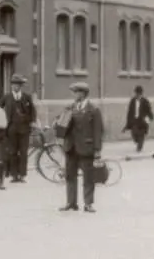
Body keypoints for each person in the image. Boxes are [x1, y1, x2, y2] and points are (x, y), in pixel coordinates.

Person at [58, 81, 103, 213]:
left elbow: (98, 131)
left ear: (84, 94)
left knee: (88, 177)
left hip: (86, 148)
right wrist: (59, 123)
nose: (75, 95)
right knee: (70, 176)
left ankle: (88, 204)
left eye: (77, 92)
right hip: (71, 148)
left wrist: (97, 150)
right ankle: (71, 203)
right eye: (74, 92)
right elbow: (61, 128)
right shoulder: (69, 108)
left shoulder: (93, 110)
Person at [2, 73, 36, 182]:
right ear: (11, 85)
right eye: (14, 84)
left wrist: (33, 122)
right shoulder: (6, 97)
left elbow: (32, 111)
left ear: (21, 86)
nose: (15, 86)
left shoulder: (26, 97)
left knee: (23, 152)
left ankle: (22, 175)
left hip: (24, 129)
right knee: (12, 152)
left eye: (18, 85)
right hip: (11, 129)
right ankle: (14, 175)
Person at [124, 85, 154, 153]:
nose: (137, 95)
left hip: (142, 121)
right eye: (136, 93)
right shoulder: (132, 101)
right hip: (135, 121)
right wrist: (128, 122)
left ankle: (139, 147)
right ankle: (138, 141)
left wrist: (148, 120)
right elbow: (129, 112)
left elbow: (149, 111)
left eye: (139, 93)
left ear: (141, 94)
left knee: (141, 134)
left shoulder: (145, 101)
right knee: (134, 134)